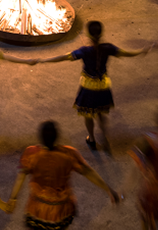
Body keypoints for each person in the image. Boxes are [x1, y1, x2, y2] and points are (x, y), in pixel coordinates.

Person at [7, 121, 120, 230]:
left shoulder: (31, 153)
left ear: (40, 137)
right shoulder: (69, 153)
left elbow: (20, 177)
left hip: (37, 206)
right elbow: (88, 172)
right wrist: (108, 189)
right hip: (61, 207)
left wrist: (13, 198)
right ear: (57, 136)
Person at [37, 21, 150, 152]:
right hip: (102, 86)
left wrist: (43, 60)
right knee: (101, 114)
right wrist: (141, 51)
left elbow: (65, 57)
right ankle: (105, 138)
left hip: (88, 87)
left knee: (88, 114)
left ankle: (91, 139)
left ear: (88, 35)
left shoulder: (84, 51)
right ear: (101, 34)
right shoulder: (107, 48)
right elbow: (125, 53)